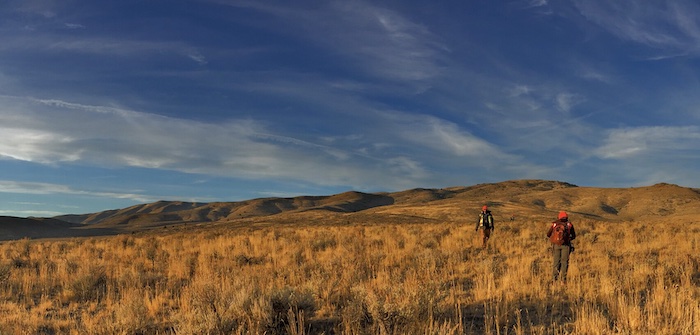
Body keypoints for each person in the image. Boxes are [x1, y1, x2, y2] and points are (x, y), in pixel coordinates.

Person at [546, 211, 576, 284]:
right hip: (566, 245)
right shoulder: (569, 224)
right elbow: (574, 235)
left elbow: (548, 234)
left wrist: (555, 239)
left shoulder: (555, 224)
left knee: (556, 262)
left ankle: (554, 279)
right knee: (564, 262)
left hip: (556, 245)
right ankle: (563, 280)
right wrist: (568, 239)